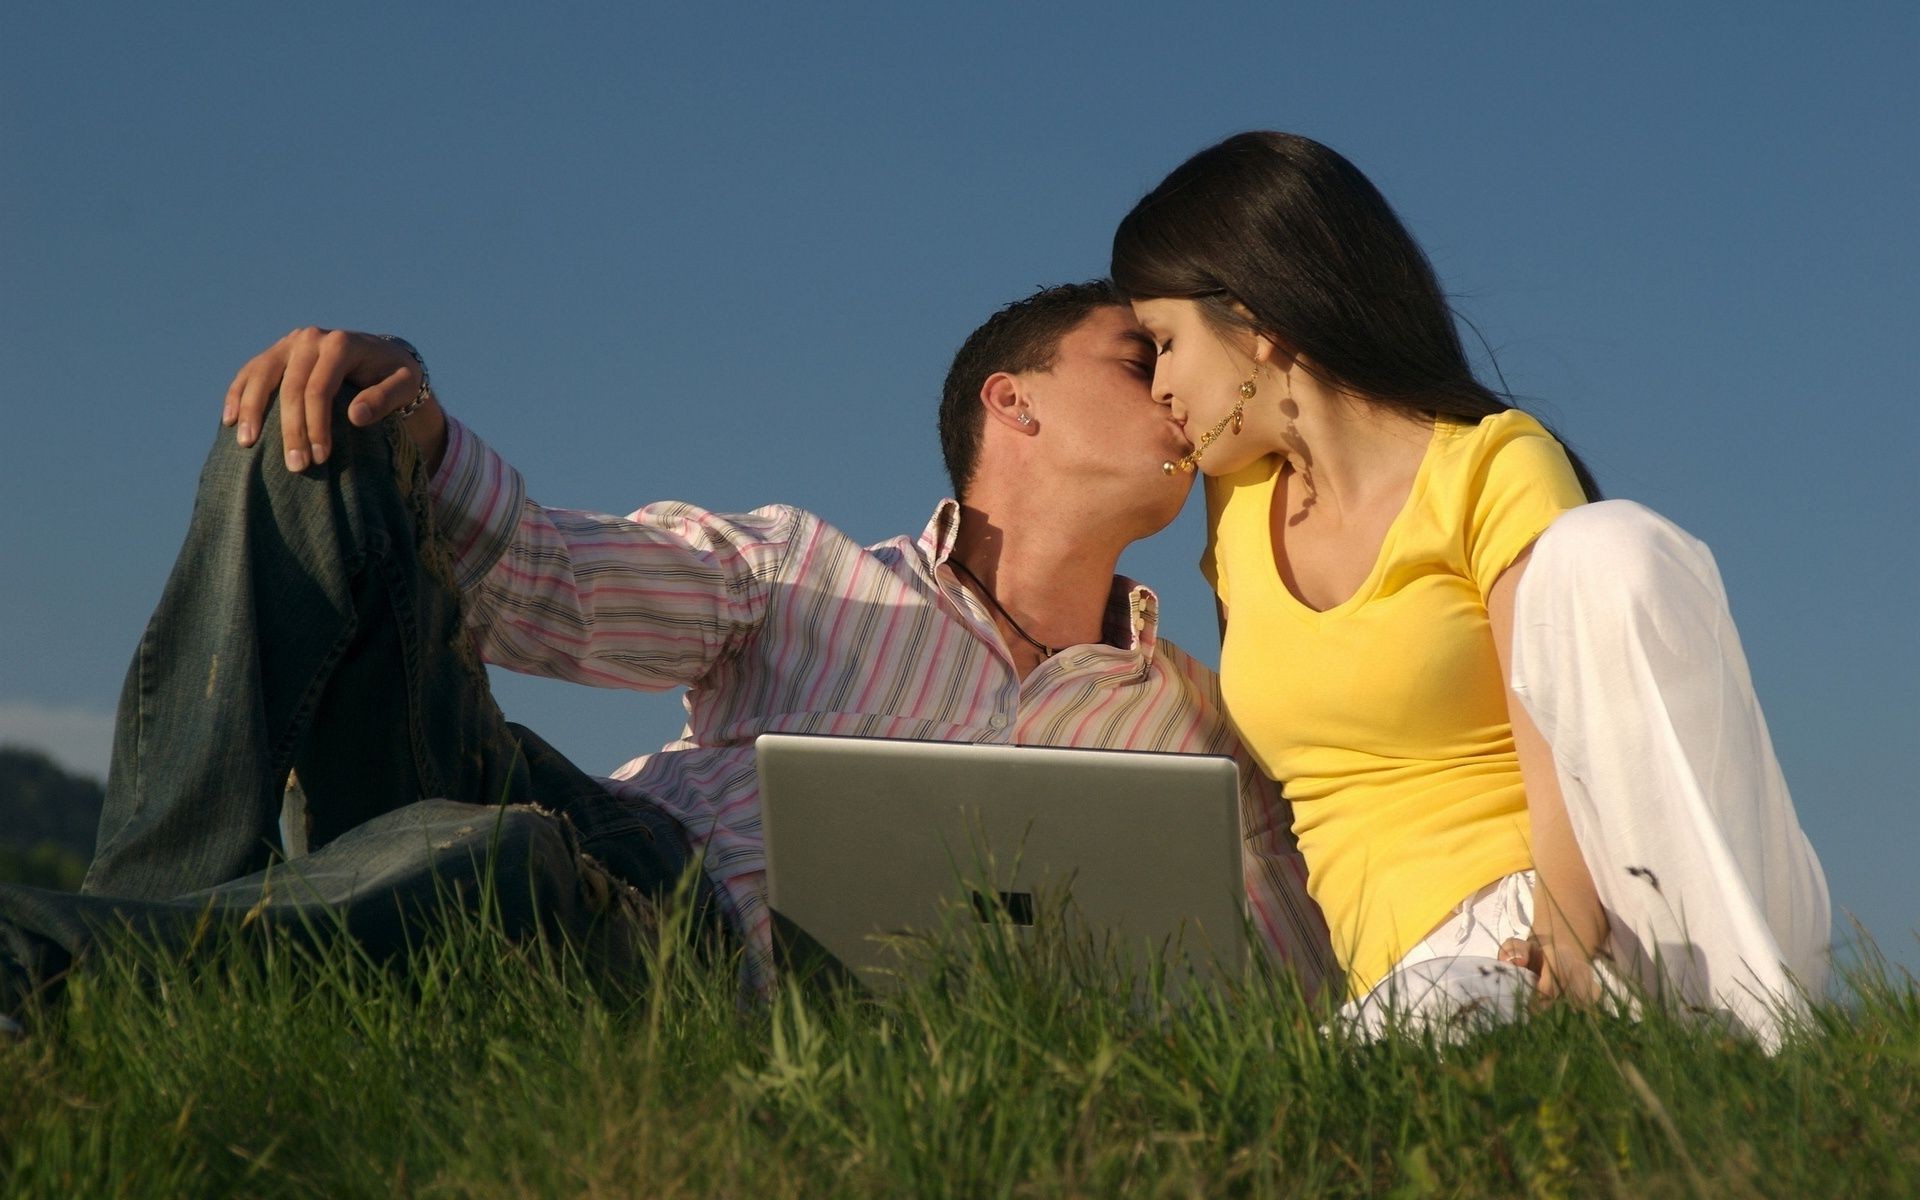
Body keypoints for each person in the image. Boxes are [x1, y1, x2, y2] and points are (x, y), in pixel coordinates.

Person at [0, 283, 1333, 1014]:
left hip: (666, 953)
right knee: (325, 424)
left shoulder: (1191, 722)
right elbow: (545, 589)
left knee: (494, 859)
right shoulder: (801, 572)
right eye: (1136, 353)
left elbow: (1292, 991)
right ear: (1014, 404)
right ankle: (144, 913)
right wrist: (411, 412)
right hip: (609, 830)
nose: (1173, 386)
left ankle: (62, 964)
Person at [1110, 132, 1829, 1047]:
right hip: (1416, 973)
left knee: (1607, 549)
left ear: (1255, 322)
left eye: (1165, 344)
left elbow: (1564, 746)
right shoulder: (1239, 503)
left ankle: (1749, 1032)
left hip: (1596, 916)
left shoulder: (1492, 464)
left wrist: (1563, 939)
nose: (1161, 387)